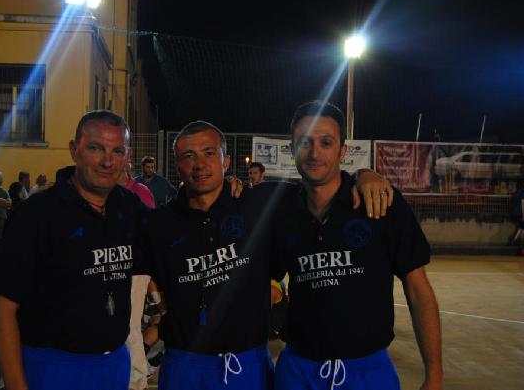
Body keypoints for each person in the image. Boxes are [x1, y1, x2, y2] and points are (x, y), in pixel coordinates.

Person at [144, 121, 393, 390]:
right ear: (176, 164)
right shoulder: (159, 224)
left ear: (225, 161)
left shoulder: (259, 202)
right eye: (188, 156)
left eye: (209, 153)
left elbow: (321, 186)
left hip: (248, 367)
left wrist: (361, 175)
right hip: (184, 368)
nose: (200, 164)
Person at [272, 100, 443, 390]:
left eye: (326, 143)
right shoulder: (281, 209)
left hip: (367, 373)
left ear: (342, 151)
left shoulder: (382, 203)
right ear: (292, 149)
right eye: (304, 142)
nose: (314, 153)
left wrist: (434, 375)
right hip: (297, 372)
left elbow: (418, 290)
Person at [0, 110, 152, 390]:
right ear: (74, 150)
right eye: (95, 148)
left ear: (127, 157)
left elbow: (172, 240)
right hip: (52, 368)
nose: (107, 161)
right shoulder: (37, 214)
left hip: (113, 365)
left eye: (117, 151)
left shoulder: (129, 207)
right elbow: (0, 311)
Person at [118, 164, 157, 390]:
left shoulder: (139, 192)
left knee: (130, 326)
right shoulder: (105, 193)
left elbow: (150, 230)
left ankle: (137, 380)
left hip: (136, 269)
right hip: (114, 267)